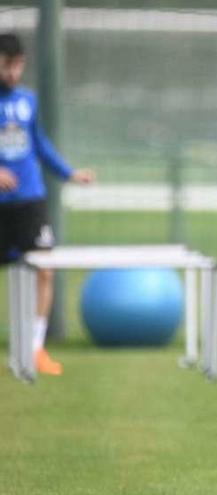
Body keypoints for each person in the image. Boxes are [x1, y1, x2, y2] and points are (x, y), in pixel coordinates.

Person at [0, 33, 94, 376]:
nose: (12, 72)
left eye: (17, 64)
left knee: (45, 269)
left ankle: (36, 348)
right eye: (6, 65)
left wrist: (69, 173)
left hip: (29, 202)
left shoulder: (28, 100)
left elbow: (39, 143)